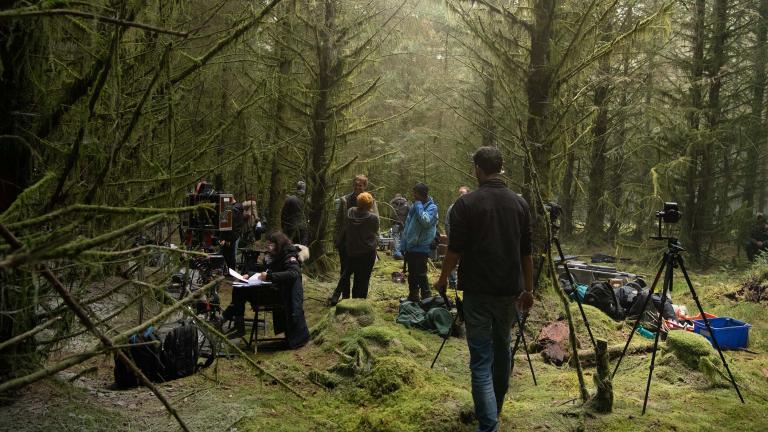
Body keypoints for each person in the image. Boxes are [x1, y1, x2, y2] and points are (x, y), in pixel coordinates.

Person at [434, 146, 533, 432]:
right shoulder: (520, 204)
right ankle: (494, 410)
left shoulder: (467, 204)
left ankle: (489, 424)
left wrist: (442, 281)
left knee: (480, 358)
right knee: (502, 349)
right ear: (500, 168)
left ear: (478, 169)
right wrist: (529, 289)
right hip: (510, 293)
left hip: (477, 292)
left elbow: (454, 251)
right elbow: (526, 252)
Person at [222, 231, 310, 349]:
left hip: (281, 295)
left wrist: (270, 277)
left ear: (279, 244)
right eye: (268, 244)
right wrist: (251, 274)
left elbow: (293, 273)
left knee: (241, 291)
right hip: (273, 289)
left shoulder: (289, 256)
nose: (269, 247)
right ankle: (238, 324)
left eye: (272, 245)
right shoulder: (276, 256)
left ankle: (227, 318)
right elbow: (267, 272)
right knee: (239, 287)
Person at [331, 175, 378, 303]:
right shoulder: (345, 200)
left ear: (365, 186)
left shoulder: (370, 201)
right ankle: (345, 298)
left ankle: (356, 301)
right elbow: (339, 221)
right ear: (353, 185)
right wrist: (337, 238)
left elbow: (375, 224)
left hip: (363, 244)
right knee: (345, 270)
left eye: (361, 185)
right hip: (346, 242)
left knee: (358, 274)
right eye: (356, 184)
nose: (358, 187)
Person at [399, 182, 438, 302]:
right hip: (411, 246)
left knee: (421, 273)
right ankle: (413, 296)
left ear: (422, 194)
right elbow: (408, 226)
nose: (413, 195)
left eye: (415, 193)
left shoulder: (432, 207)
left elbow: (426, 222)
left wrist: (419, 206)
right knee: (412, 274)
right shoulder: (415, 206)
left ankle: (426, 296)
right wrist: (403, 244)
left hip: (422, 246)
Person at [445, 186, 471, 288]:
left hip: (468, 242)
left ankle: (463, 282)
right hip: (454, 240)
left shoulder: (472, 206)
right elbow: (447, 223)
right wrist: (450, 237)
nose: (461, 195)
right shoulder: (452, 207)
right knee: (452, 260)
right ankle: (452, 282)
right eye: (460, 193)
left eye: (463, 193)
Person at [281, 181, 308, 245]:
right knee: (301, 248)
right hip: (302, 228)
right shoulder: (307, 201)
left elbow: (283, 214)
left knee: (288, 246)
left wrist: (283, 225)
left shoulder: (289, 199)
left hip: (290, 227)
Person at [390, 193, 410, 259]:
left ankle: (397, 253)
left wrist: (391, 221)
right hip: (404, 223)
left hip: (395, 223)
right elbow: (409, 213)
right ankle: (402, 252)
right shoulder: (406, 204)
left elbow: (392, 214)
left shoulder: (393, 204)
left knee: (396, 237)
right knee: (402, 238)